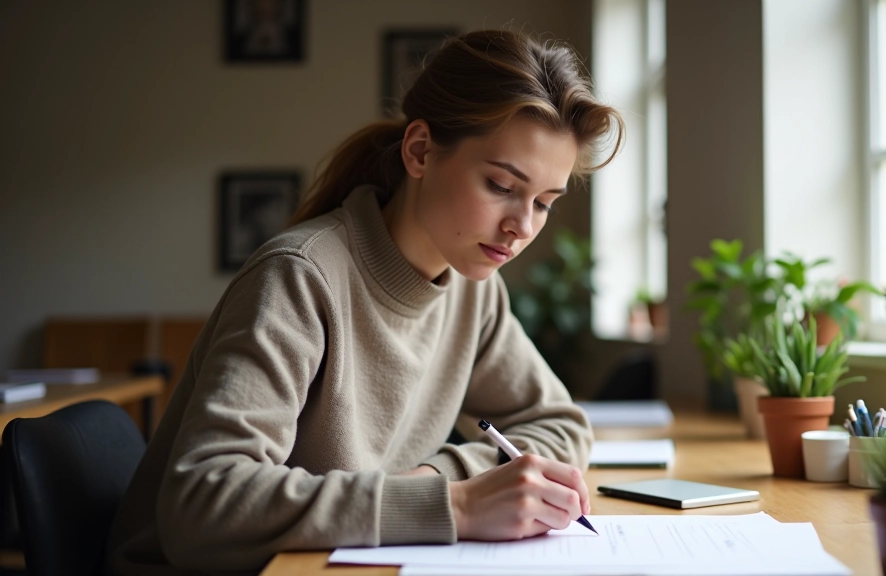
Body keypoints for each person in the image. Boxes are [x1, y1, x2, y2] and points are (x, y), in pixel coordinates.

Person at [107, 28, 623, 575]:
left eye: (544, 202)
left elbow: (562, 428)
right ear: (420, 151)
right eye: (500, 185)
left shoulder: (474, 290)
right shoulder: (298, 277)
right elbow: (203, 505)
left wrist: (434, 480)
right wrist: (458, 501)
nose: (522, 226)